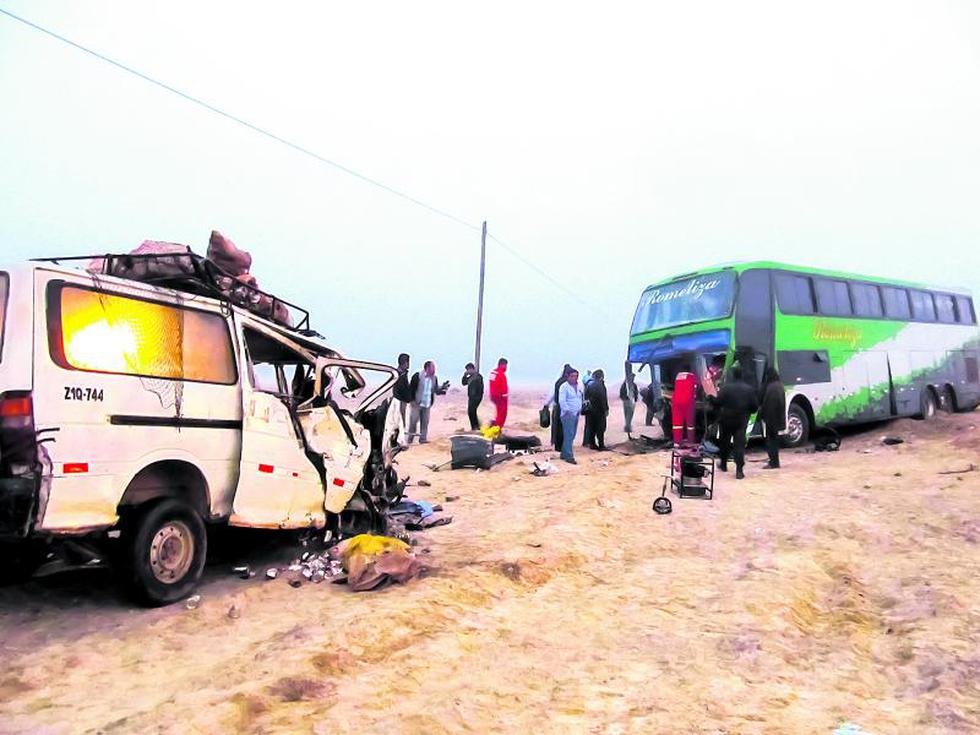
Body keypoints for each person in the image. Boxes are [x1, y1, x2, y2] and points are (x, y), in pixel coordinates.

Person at [712, 366, 759, 479]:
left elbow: (718, 403)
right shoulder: (749, 389)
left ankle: (723, 464)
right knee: (739, 445)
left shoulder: (726, 388)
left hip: (726, 420)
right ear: (742, 375)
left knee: (725, 442)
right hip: (741, 421)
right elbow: (755, 407)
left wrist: (711, 398)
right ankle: (739, 470)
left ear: (732, 375)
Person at [407, 360, 448, 444]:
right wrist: (412, 401)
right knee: (413, 422)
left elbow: (435, 390)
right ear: (427, 368)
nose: (434, 370)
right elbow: (411, 389)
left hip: (427, 403)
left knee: (425, 422)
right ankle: (410, 439)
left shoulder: (434, 378)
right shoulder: (417, 376)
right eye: (433, 368)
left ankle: (423, 439)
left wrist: (443, 388)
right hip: (416, 403)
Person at [759, 367, 786, 469]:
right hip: (777, 418)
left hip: (771, 419)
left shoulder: (772, 388)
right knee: (774, 440)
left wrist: (762, 415)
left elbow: (769, 405)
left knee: (771, 441)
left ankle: (774, 462)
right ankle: (775, 461)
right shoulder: (779, 385)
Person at [558, 368, 584, 463]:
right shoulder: (564, 387)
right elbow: (562, 400)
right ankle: (569, 456)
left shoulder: (579, 386)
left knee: (572, 435)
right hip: (568, 414)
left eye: (576, 376)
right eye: (572, 376)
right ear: (567, 376)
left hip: (576, 413)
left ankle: (564, 453)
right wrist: (567, 411)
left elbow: (581, 397)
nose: (574, 378)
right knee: (569, 434)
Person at [584, 369, 610, 450]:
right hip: (599, 410)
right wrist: (606, 409)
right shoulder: (601, 385)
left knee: (591, 427)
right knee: (600, 428)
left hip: (590, 410)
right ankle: (601, 445)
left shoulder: (589, 385)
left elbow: (586, 398)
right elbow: (603, 398)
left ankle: (592, 444)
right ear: (601, 377)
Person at [548, 364, 572, 450]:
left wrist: (547, 404)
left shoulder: (558, 381)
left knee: (557, 427)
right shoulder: (568, 383)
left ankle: (557, 446)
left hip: (557, 407)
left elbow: (553, 395)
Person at [461, 363, 484, 431]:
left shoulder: (478, 376)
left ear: (472, 369)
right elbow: (463, 383)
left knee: (472, 411)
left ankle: (476, 427)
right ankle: (474, 427)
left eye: (468, 369)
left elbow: (480, 388)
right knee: (471, 412)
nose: (468, 371)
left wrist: (477, 396)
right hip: (471, 397)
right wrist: (465, 375)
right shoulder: (470, 378)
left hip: (476, 397)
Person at [620, 363, 640, 439]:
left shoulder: (633, 385)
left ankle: (628, 425)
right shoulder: (625, 385)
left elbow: (636, 392)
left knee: (630, 414)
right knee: (627, 414)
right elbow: (621, 392)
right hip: (626, 401)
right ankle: (627, 426)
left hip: (632, 401)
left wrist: (635, 399)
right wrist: (624, 398)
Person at [488, 358, 509, 428]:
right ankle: (497, 428)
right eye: (506, 365)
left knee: (498, 413)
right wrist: (504, 398)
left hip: (493, 396)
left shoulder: (493, 373)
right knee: (502, 414)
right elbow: (504, 388)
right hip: (500, 397)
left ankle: (494, 424)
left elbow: (491, 384)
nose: (506, 367)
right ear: (502, 365)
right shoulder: (501, 375)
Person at [392, 353, 412, 425]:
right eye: (408, 362)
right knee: (400, 417)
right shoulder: (399, 375)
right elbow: (401, 389)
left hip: (402, 400)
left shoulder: (402, 374)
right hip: (400, 400)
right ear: (404, 362)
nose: (409, 364)